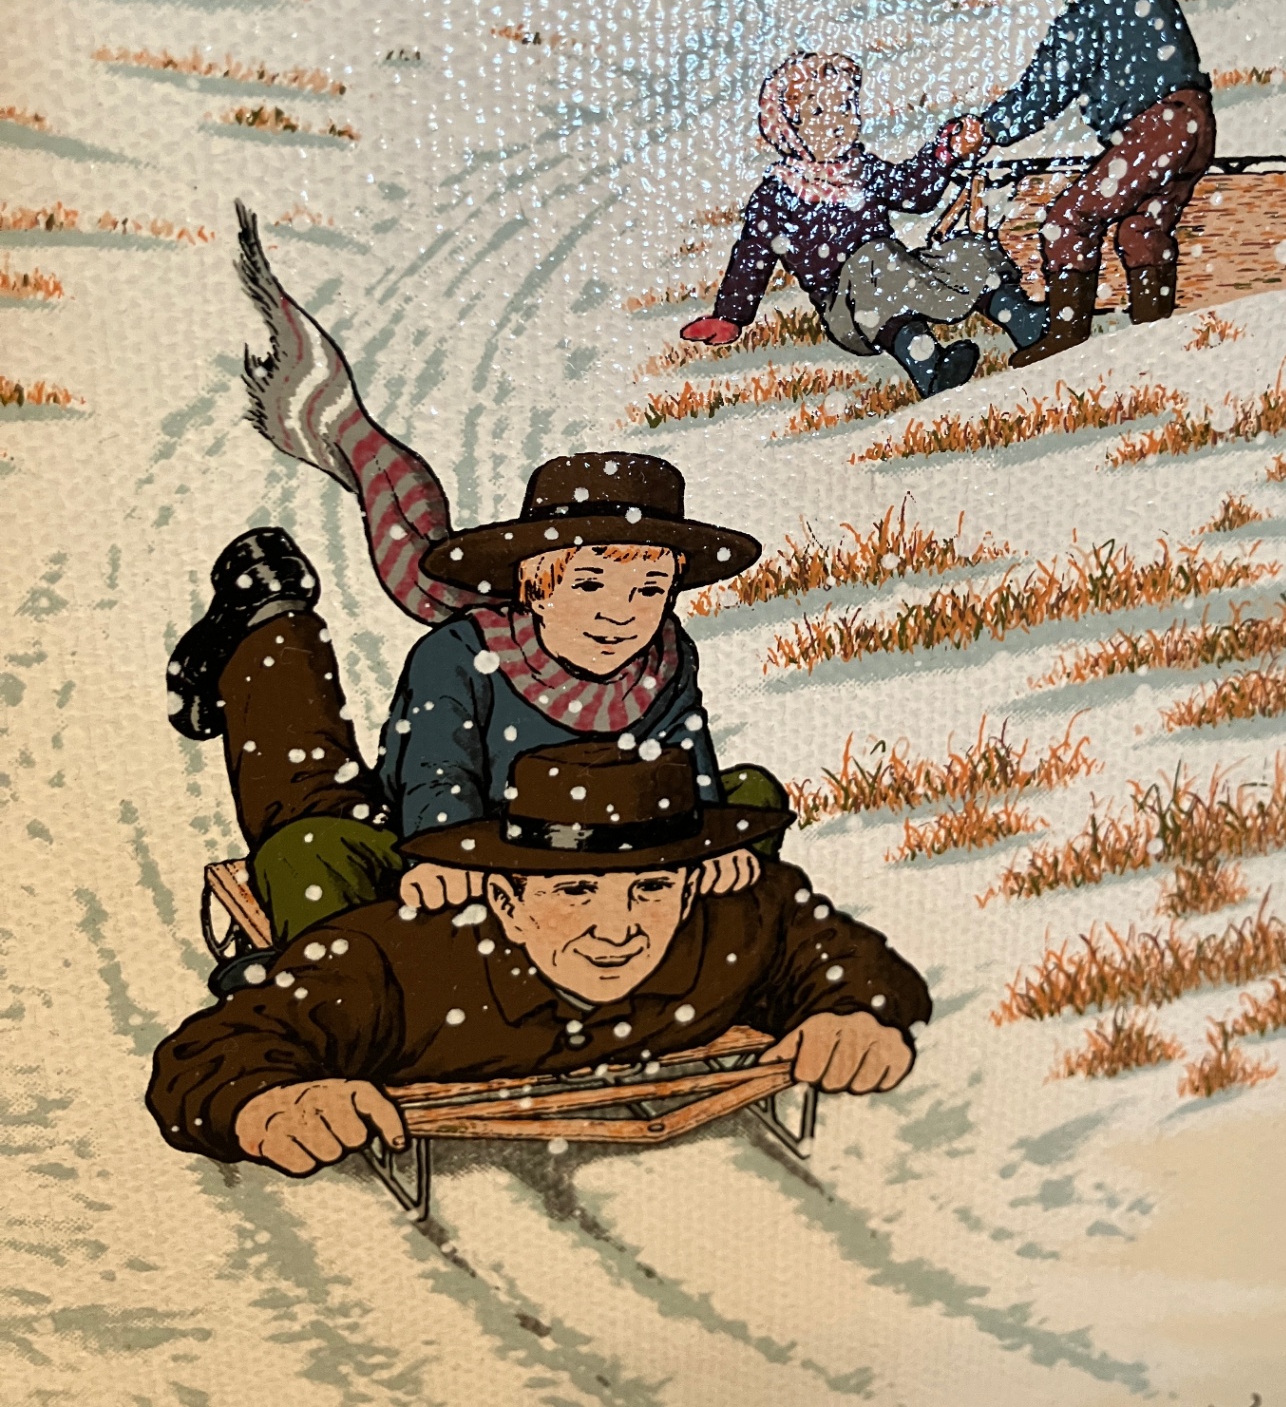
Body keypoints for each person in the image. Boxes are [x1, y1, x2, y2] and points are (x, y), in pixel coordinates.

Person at [146, 730, 932, 1174]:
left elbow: (845, 959)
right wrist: (261, 1102)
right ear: (508, 900)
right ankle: (271, 624)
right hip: (350, 879)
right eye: (576, 892)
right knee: (306, 804)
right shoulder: (397, 967)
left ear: (691, 886)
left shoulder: (739, 923)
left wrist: (855, 1014)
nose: (617, 929)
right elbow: (212, 1052)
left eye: (650, 888)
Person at [168, 455, 784, 992]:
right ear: (534, 587)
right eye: (589, 584)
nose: (619, 614)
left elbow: (689, 767)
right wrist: (448, 859)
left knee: (753, 794)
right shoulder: (460, 654)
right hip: (435, 840)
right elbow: (435, 773)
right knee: (306, 834)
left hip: (588, 863)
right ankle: (269, 618)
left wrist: (713, 851)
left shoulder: (667, 658)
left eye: (648, 591)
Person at [950, 0, 1216, 367]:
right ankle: (1155, 334)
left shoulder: (1090, 14)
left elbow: (1044, 91)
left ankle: (1067, 335)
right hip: (1195, 125)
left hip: (1156, 131)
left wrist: (987, 129)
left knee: (1068, 220)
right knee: (1142, 229)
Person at [679, 52, 1047, 400]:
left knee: (963, 250)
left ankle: (1022, 319)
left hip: (896, 275)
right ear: (789, 127)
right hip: (849, 308)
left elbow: (913, 193)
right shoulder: (779, 195)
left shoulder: (862, 169)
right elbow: (752, 258)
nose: (836, 123)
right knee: (875, 259)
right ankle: (929, 365)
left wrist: (943, 153)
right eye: (818, 112)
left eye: (845, 107)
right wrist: (730, 315)